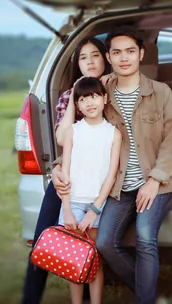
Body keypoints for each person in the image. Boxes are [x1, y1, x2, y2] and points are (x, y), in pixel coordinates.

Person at [56, 29, 172, 304]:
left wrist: (154, 181)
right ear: (109, 57)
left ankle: (147, 299)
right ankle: (148, 291)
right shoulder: (100, 91)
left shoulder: (161, 93)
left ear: (141, 54)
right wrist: (57, 166)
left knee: (145, 237)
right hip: (118, 186)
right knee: (104, 244)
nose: (123, 58)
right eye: (116, 52)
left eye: (129, 51)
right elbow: (82, 135)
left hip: (157, 182)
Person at [20, 37, 111, 304]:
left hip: (103, 179)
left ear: (105, 58)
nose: (91, 61)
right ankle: (30, 298)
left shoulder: (113, 90)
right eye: (83, 58)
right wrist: (73, 97)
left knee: (92, 243)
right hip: (72, 175)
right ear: (78, 64)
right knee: (43, 236)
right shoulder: (67, 98)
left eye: (95, 55)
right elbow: (62, 138)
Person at [58, 77, 122, 304]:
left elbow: (111, 177)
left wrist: (94, 210)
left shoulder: (113, 133)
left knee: (93, 260)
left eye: (94, 96)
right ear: (77, 105)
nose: (89, 103)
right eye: (82, 99)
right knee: (73, 261)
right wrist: (66, 209)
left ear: (104, 98)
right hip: (73, 202)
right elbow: (64, 173)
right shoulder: (72, 132)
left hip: (98, 205)